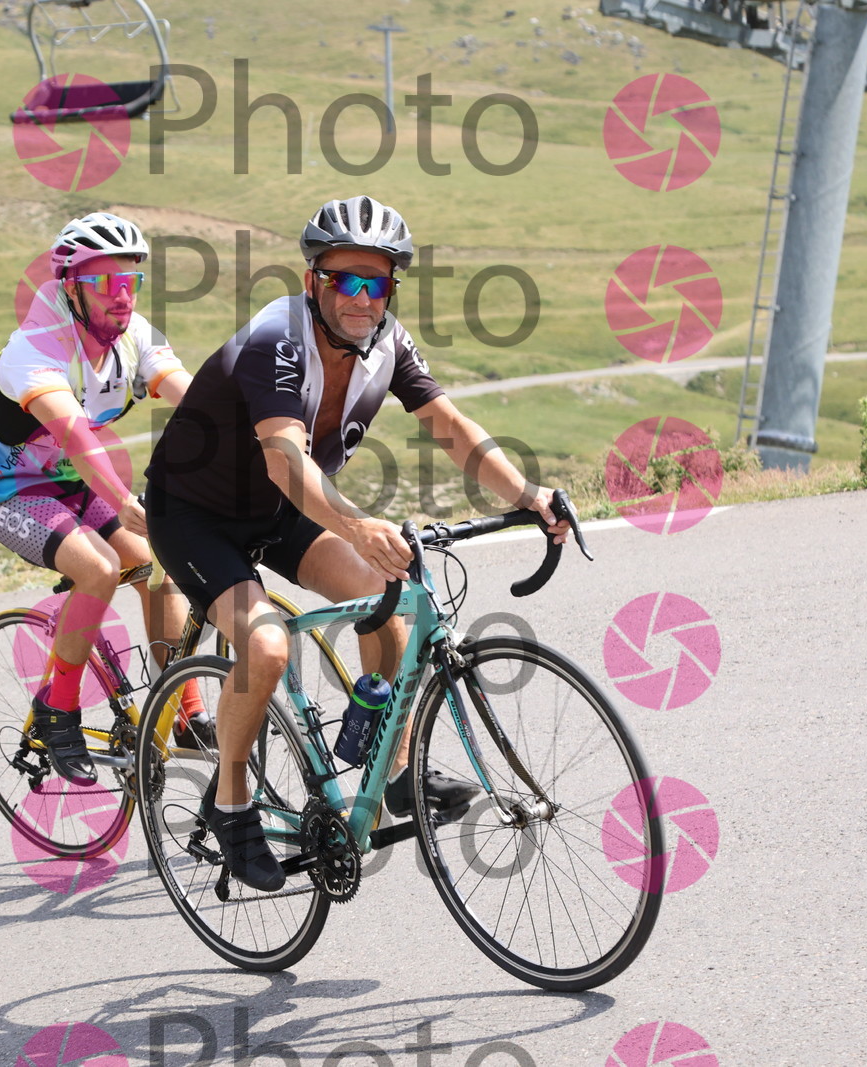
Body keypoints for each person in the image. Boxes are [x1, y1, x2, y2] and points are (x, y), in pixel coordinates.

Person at [143, 195, 572, 891]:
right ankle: (230, 803)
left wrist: (527, 494)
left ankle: (393, 771)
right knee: (267, 647)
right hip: (195, 514)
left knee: (389, 599)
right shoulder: (277, 339)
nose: (360, 297)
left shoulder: (387, 343)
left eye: (375, 281)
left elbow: (450, 426)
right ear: (312, 281)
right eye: (343, 279)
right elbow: (285, 458)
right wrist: (356, 526)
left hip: (280, 513)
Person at [0, 212, 209, 785]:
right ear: (71, 288)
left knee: (161, 562)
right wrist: (122, 501)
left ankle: (184, 711)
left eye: (131, 281)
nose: (122, 296)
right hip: (6, 491)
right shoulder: (35, 349)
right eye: (105, 282)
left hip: (69, 482)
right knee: (99, 569)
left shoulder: (135, 336)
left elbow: (195, 400)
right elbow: (75, 436)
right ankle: (58, 710)